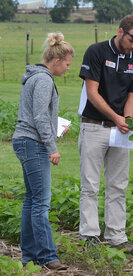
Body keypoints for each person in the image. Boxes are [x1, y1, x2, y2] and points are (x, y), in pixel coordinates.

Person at [78, 14, 133, 255]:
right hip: (94, 126)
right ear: (120, 31)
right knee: (90, 184)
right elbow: (92, 92)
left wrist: (127, 118)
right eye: (132, 39)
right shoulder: (96, 52)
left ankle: (117, 236)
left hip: (120, 131)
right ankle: (89, 236)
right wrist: (114, 117)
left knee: (118, 184)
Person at [12, 32, 74, 270]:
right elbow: (38, 115)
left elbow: (38, 114)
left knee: (31, 200)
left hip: (25, 140)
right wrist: (52, 146)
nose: (68, 68)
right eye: (67, 64)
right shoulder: (44, 80)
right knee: (41, 203)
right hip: (34, 143)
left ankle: (28, 256)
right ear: (56, 60)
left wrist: (55, 126)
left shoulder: (34, 77)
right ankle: (48, 256)